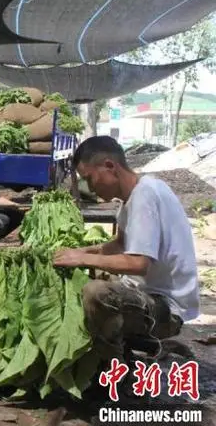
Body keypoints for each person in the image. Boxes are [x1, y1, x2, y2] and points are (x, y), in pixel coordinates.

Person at [53, 136, 199, 361]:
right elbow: (119, 244)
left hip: (166, 307)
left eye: (90, 178)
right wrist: (82, 252)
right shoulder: (132, 198)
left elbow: (138, 263)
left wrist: (82, 260)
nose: (89, 188)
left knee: (96, 293)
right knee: (86, 283)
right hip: (145, 295)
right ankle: (131, 344)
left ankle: (115, 370)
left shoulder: (145, 196)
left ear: (110, 166)